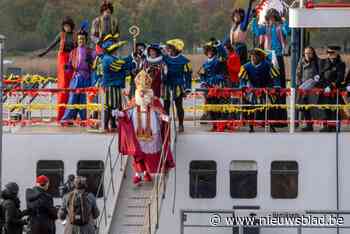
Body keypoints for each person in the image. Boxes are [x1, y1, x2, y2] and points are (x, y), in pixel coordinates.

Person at [117, 71, 175, 185]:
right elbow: (127, 114)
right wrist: (119, 114)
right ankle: (138, 174)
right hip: (137, 131)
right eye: (141, 91)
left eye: (144, 91)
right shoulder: (134, 101)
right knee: (137, 153)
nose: (142, 93)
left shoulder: (155, 101)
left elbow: (160, 113)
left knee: (150, 153)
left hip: (153, 132)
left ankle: (147, 172)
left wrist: (165, 118)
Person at [38, 17, 77, 121]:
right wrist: (44, 52)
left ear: (71, 26)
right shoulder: (61, 35)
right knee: (63, 85)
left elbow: (79, 47)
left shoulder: (75, 35)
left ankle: (70, 115)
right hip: (62, 59)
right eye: (65, 26)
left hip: (72, 58)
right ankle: (60, 114)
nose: (66, 27)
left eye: (68, 26)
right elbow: (52, 45)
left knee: (71, 85)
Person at [239, 48, 281, 133]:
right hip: (253, 89)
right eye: (252, 56)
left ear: (260, 57)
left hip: (266, 89)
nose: (253, 58)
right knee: (251, 107)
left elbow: (276, 77)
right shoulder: (246, 66)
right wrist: (242, 85)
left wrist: (276, 86)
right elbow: (242, 79)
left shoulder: (268, 65)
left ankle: (271, 126)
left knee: (269, 108)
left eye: (255, 56)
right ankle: (251, 127)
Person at [61, 22, 95, 124]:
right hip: (76, 77)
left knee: (84, 99)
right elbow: (70, 66)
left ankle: (85, 118)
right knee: (72, 98)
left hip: (86, 77)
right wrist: (67, 67)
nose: (81, 41)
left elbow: (95, 62)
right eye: (80, 39)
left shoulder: (90, 51)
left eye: (83, 39)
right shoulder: (73, 52)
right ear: (77, 40)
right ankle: (68, 118)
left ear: (86, 40)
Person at [100, 39, 134, 132]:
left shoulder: (111, 57)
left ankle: (113, 124)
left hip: (116, 85)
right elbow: (121, 65)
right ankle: (106, 126)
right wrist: (131, 59)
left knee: (116, 106)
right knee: (109, 106)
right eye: (116, 49)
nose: (117, 50)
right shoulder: (108, 58)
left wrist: (131, 61)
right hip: (110, 85)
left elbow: (124, 66)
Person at [163, 39, 193, 132]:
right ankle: (165, 125)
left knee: (179, 106)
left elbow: (188, 75)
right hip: (167, 85)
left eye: (171, 48)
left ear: (176, 49)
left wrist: (188, 88)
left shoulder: (184, 61)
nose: (169, 49)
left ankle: (180, 124)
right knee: (166, 107)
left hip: (178, 86)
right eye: (169, 48)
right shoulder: (165, 58)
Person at [318, 46, 346, 132]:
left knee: (334, 110)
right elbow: (321, 75)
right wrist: (320, 83)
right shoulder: (323, 62)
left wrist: (331, 87)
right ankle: (326, 126)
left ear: (337, 53)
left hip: (334, 90)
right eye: (328, 52)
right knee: (325, 109)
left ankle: (334, 126)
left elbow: (340, 78)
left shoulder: (341, 64)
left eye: (332, 52)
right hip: (324, 89)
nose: (330, 54)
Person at [296, 46, 321, 132]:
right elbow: (298, 73)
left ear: (313, 53)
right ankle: (309, 125)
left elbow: (320, 73)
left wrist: (317, 80)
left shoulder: (317, 61)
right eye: (306, 53)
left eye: (309, 53)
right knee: (304, 106)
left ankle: (320, 124)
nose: (307, 54)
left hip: (313, 88)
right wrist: (299, 83)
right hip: (303, 88)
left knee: (313, 107)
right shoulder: (301, 61)